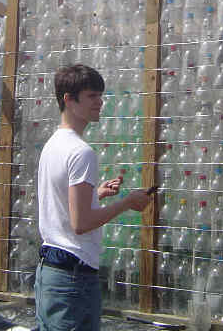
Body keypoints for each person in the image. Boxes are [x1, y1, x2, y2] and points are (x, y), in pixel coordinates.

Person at [35, 64, 153, 331]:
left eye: (100, 95)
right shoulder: (81, 152)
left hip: (51, 271)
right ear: (68, 99)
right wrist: (127, 203)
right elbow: (81, 223)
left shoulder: (53, 145)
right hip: (73, 276)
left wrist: (96, 194)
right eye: (92, 96)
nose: (100, 102)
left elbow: (60, 203)